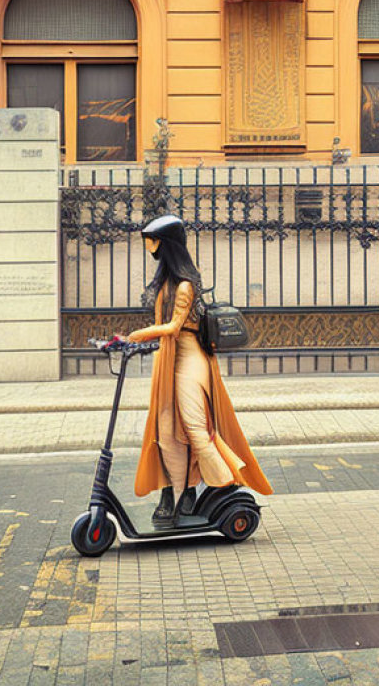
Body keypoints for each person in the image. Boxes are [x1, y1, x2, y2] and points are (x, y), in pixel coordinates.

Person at [125, 214, 272, 524]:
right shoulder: (166, 283)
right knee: (166, 431)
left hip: (191, 361)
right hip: (169, 359)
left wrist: (140, 334)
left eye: (154, 243)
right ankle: (177, 490)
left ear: (168, 247)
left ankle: (225, 482)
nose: (150, 249)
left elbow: (176, 326)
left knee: (194, 428)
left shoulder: (185, 285)